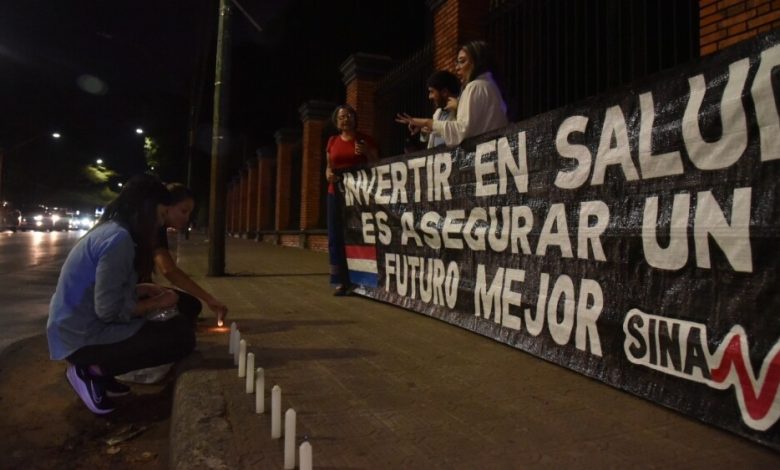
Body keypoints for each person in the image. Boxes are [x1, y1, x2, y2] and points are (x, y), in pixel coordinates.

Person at [46, 174, 195, 415]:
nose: (160, 223)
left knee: (181, 316)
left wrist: (140, 290)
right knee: (181, 336)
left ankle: (102, 371)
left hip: (76, 328)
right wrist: (157, 303)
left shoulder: (112, 230)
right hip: (81, 338)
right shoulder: (119, 240)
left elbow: (103, 290)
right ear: (146, 209)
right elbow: (108, 311)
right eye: (160, 214)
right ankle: (90, 370)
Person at [396, 40, 508, 147]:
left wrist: (427, 122)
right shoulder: (490, 85)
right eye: (457, 62)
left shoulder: (475, 86)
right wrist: (428, 128)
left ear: (478, 62)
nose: (457, 68)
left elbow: (460, 131)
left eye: (462, 61)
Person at [149, 183, 228, 326]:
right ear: (167, 206)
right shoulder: (152, 227)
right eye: (183, 211)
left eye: (189, 213)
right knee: (187, 309)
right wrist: (209, 298)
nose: (187, 218)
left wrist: (207, 298)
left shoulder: (158, 228)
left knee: (190, 305)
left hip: (135, 290)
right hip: (127, 296)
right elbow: (169, 270)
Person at [326, 104, 378, 295]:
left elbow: (377, 163)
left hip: (359, 195)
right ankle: (340, 280)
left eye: (348, 116)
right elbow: (328, 167)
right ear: (336, 122)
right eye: (341, 117)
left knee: (359, 235)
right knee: (336, 237)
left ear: (355, 119)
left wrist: (367, 152)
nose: (345, 119)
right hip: (336, 194)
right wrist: (328, 175)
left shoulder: (365, 140)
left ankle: (362, 280)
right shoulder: (332, 141)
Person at [415, 70, 461, 149]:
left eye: (432, 92)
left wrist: (458, 108)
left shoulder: (461, 108)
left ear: (444, 92)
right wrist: (424, 131)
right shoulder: (438, 112)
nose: (430, 97)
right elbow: (431, 139)